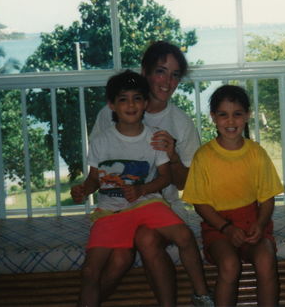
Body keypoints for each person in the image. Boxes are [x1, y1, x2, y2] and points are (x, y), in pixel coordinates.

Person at [72, 70, 212, 307]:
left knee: (184, 236)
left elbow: (165, 178)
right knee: (90, 271)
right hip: (111, 212)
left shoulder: (155, 138)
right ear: (112, 105)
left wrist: (142, 190)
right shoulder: (100, 141)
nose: (131, 105)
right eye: (123, 99)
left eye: (137, 98)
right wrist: (84, 189)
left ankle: (202, 295)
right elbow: (95, 179)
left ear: (145, 104)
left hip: (147, 203)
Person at [183, 85, 284, 307]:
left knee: (266, 259)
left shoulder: (256, 153)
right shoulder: (204, 157)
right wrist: (226, 228)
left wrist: (260, 223)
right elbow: (200, 204)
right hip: (218, 227)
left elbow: (267, 198)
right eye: (223, 115)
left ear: (247, 116)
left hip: (253, 223)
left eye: (237, 114)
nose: (231, 121)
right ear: (213, 117)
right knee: (229, 264)